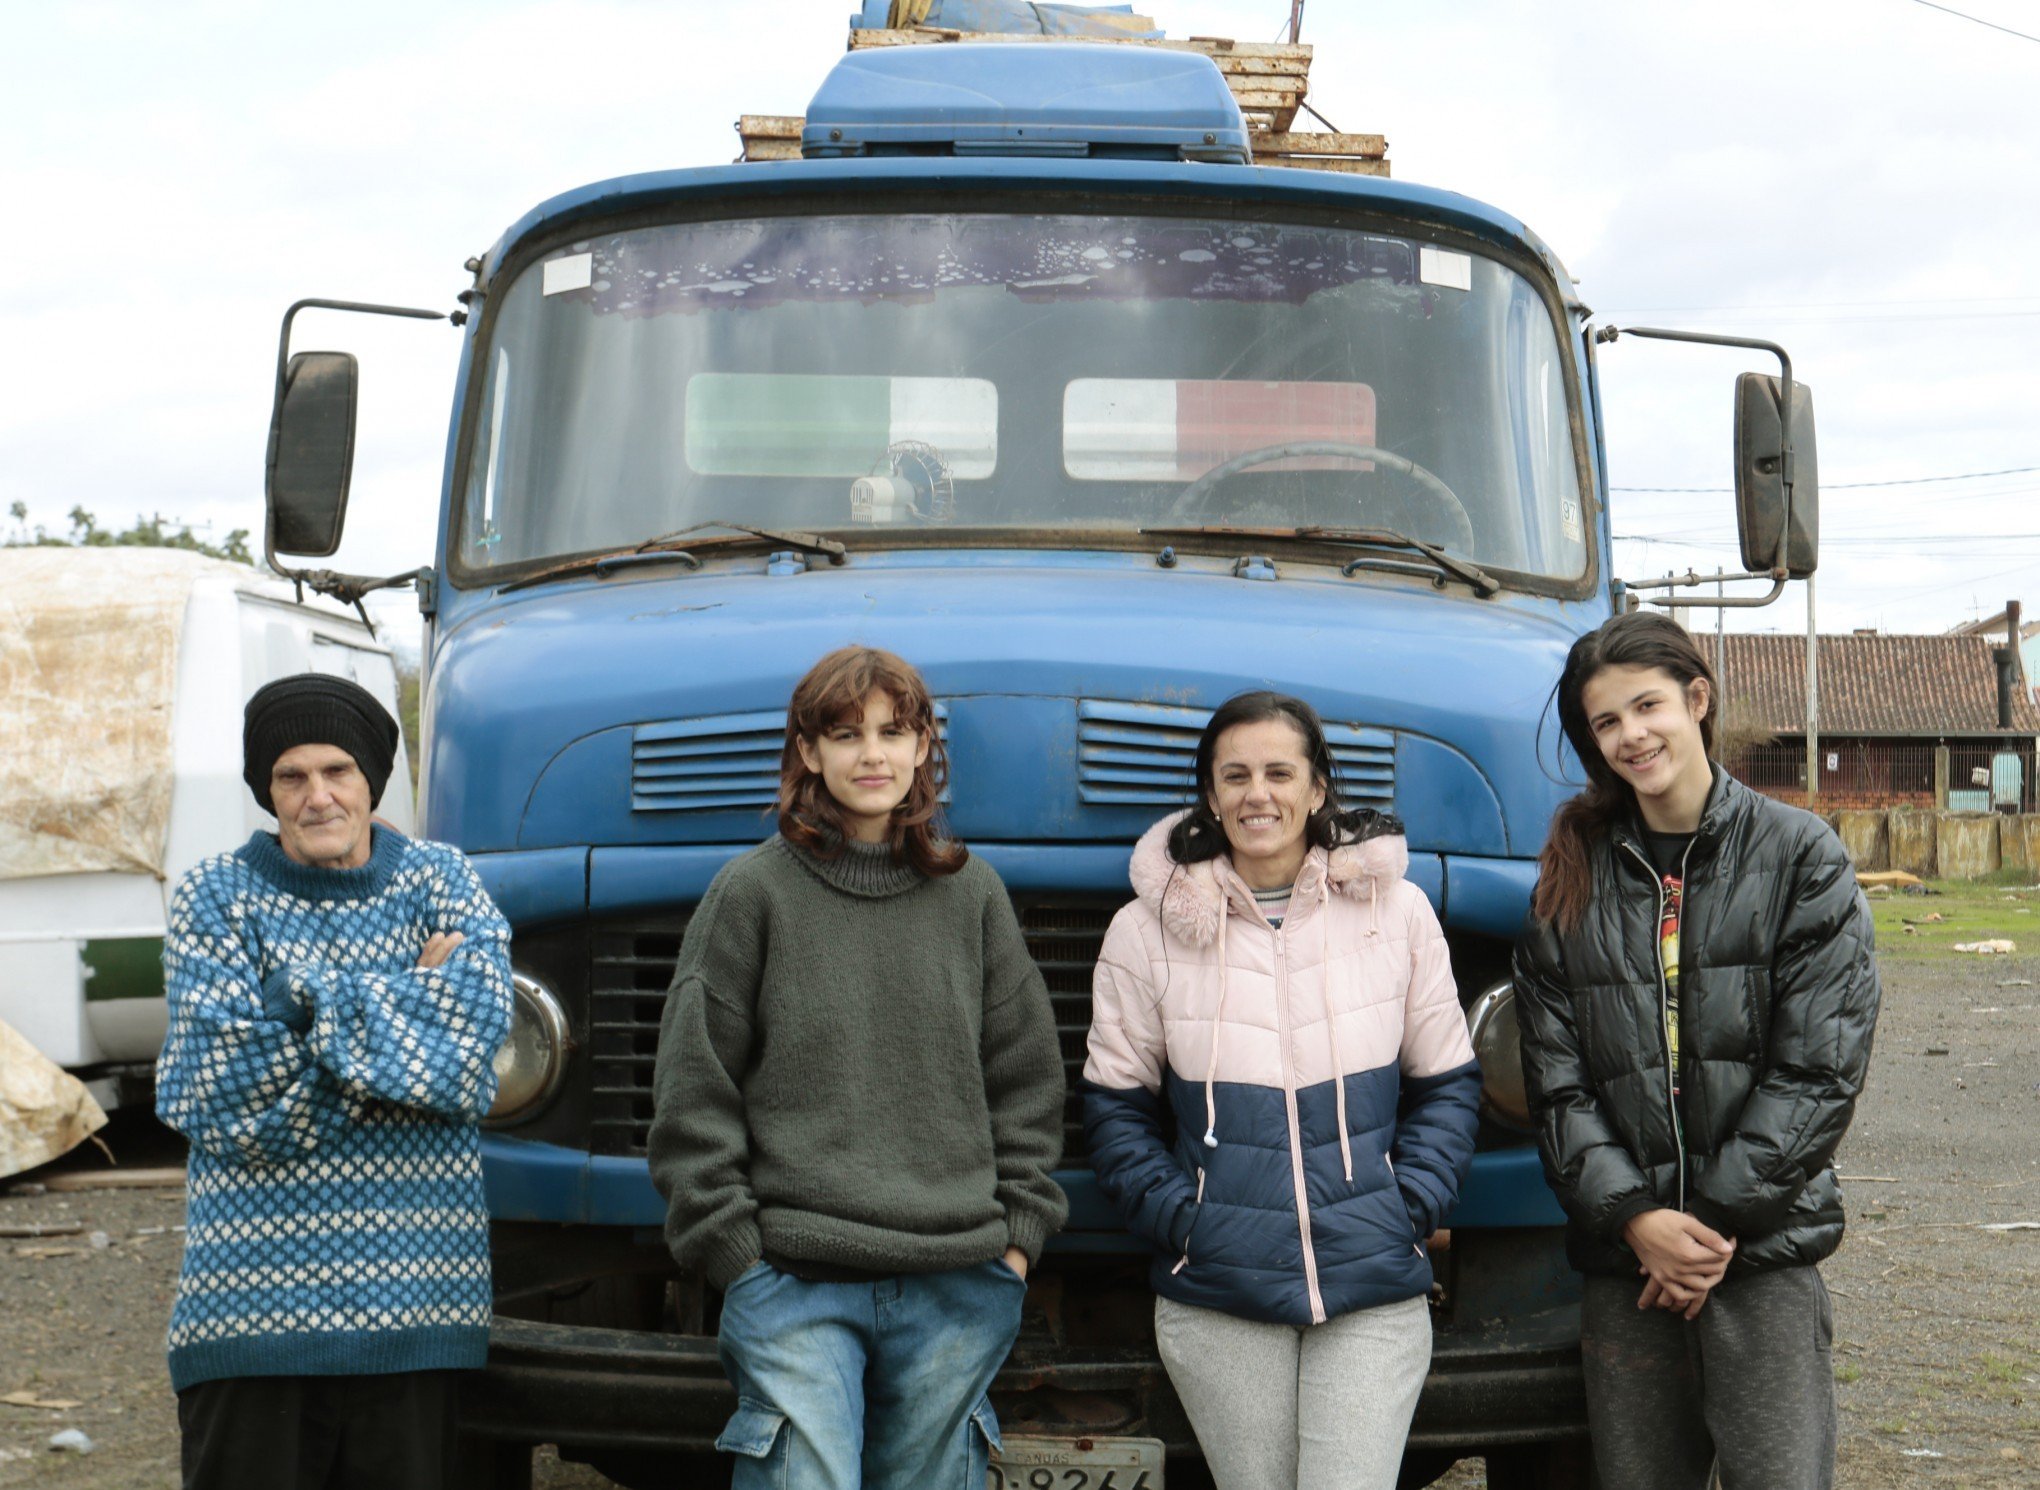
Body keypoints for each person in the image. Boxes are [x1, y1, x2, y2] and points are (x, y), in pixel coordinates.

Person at [648, 645, 1067, 1489]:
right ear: (808, 752)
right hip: (794, 1279)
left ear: (922, 749)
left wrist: (1016, 1244)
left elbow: (1026, 1079)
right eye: (845, 734)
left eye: (892, 732)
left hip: (958, 1278)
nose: (871, 754)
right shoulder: (750, 895)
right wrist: (737, 1256)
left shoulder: (973, 896)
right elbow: (693, 1093)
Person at [1513, 610, 1880, 1490]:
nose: (1632, 735)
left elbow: (1820, 1069)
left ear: (1697, 699)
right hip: (1628, 1269)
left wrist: (1708, 1227)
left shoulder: (1800, 856)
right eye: (1606, 722)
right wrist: (1639, 1223)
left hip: (1758, 1259)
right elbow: (1555, 1086)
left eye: (1647, 706)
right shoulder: (1572, 875)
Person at [1082, 690, 1480, 1490]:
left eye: (1277, 772)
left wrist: (1408, 1206)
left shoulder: (1395, 912)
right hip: (1220, 1287)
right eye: (1234, 776)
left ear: (1317, 789)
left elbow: (1446, 1083)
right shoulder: (1144, 931)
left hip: (1372, 1284)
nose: (1256, 793)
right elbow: (1117, 1109)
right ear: (1210, 797)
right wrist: (1187, 1223)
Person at [155, 673, 514, 1490]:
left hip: (417, 1314)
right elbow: (222, 1093)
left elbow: (470, 1056)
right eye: (291, 776)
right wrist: (404, 1033)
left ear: (371, 779)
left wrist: (299, 1003)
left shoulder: (441, 878)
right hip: (247, 1323)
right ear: (267, 791)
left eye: (337, 771)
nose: (318, 796)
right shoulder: (214, 896)